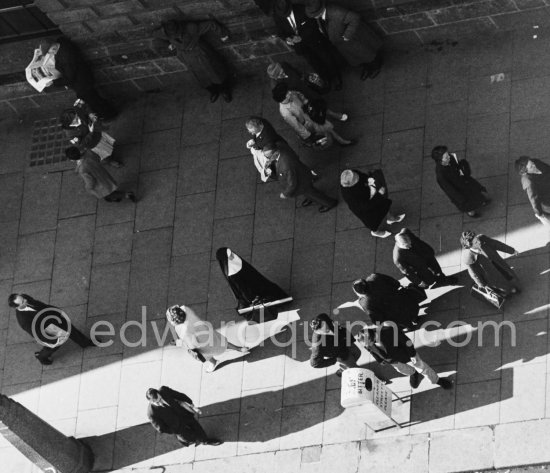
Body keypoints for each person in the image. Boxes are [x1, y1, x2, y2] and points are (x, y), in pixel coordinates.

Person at [25, 38, 117, 119]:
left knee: (93, 100)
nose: (50, 54)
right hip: (83, 77)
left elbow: (69, 78)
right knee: (93, 97)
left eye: (50, 52)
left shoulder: (66, 57)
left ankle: (108, 115)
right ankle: (108, 110)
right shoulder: (62, 43)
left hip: (81, 83)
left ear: (53, 47)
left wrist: (53, 82)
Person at [272, 0, 345, 89]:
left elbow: (313, 25)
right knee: (314, 63)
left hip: (314, 40)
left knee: (326, 58)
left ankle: (336, 77)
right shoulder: (277, 16)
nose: (285, 16)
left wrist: (301, 37)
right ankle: (326, 79)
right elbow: (280, 32)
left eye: (287, 13)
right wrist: (287, 39)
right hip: (301, 47)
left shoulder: (302, 9)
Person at [8, 293, 96, 365]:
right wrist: (52, 340)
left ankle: (85, 343)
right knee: (55, 346)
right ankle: (42, 356)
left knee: (72, 330)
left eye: (23, 298)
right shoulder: (23, 320)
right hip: (48, 329)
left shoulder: (25, 297)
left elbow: (40, 305)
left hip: (54, 318)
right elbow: (37, 333)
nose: (25, 300)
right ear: (17, 307)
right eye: (22, 301)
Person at [305, 0, 383, 80]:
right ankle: (368, 68)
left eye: (314, 15)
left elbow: (355, 17)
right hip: (343, 43)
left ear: (320, 11)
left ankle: (375, 67)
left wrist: (347, 35)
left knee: (367, 54)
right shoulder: (320, 15)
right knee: (357, 57)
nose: (313, 17)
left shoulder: (337, 12)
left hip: (353, 39)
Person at [358, 322, 452, 389]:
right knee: (403, 370)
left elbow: (406, 342)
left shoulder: (389, 331)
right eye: (367, 345)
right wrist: (379, 359)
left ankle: (437, 380)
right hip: (393, 361)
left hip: (406, 355)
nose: (369, 346)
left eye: (370, 343)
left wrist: (413, 355)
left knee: (423, 368)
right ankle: (413, 374)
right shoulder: (366, 343)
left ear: (373, 335)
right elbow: (371, 351)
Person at [157, 19, 232, 103]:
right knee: (200, 76)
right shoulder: (165, 33)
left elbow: (210, 24)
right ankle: (213, 91)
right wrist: (169, 45)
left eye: (177, 33)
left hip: (201, 52)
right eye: (172, 35)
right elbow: (156, 37)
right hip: (188, 57)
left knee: (214, 71)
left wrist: (223, 34)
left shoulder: (190, 28)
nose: (175, 36)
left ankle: (224, 90)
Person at [215, 247, 291, 322]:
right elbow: (242, 288)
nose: (232, 255)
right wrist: (250, 298)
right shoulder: (231, 273)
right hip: (250, 287)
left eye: (231, 253)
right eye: (230, 255)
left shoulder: (233, 260)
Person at [166, 304, 248, 373]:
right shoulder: (185, 309)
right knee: (221, 341)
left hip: (204, 344)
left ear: (174, 321)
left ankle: (213, 363)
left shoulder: (181, 329)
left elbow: (192, 345)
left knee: (207, 355)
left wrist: (179, 343)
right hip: (207, 331)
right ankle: (239, 348)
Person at [263, 141, 337, 212]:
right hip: (301, 173)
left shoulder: (286, 165)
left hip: (301, 182)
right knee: (309, 192)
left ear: (275, 152)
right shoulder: (280, 145)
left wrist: (285, 194)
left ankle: (329, 203)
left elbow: (292, 183)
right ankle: (310, 198)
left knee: (313, 194)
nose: (268, 159)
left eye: (268, 156)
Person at [272, 83, 352, 148]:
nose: (290, 92)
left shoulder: (291, 95)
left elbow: (299, 95)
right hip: (309, 123)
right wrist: (308, 136)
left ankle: (341, 141)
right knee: (327, 129)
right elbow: (296, 126)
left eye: (288, 91)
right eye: (287, 93)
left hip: (311, 114)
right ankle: (341, 141)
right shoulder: (285, 112)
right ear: (283, 98)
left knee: (327, 127)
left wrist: (306, 102)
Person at [146, 386, 222, 446]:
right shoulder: (151, 413)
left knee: (197, 427)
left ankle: (205, 441)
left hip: (184, 415)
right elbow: (161, 428)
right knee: (190, 437)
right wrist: (174, 430)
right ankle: (185, 439)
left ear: (158, 393)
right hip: (177, 427)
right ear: (151, 401)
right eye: (157, 402)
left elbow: (179, 395)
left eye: (160, 399)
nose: (160, 402)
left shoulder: (164, 390)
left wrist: (191, 403)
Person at [340, 169, 405, 238]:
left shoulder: (352, 174)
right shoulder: (349, 196)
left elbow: (362, 175)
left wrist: (370, 179)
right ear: (351, 184)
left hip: (369, 195)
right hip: (364, 209)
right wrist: (379, 195)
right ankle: (376, 232)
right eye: (355, 178)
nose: (358, 176)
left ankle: (390, 218)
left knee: (384, 204)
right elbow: (365, 206)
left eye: (355, 174)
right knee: (372, 221)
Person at [431, 145, 489, 218]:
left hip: (465, 181)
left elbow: (457, 165)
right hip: (459, 190)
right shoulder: (441, 175)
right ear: (440, 160)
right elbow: (449, 190)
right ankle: (472, 213)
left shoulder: (450, 158)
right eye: (446, 157)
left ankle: (481, 201)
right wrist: (460, 199)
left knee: (476, 192)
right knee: (468, 204)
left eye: (447, 154)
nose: (449, 156)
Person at [60, 103, 122, 168]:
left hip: (98, 133)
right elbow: (82, 143)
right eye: (75, 120)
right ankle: (111, 161)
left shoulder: (76, 111)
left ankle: (111, 151)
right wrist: (91, 132)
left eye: (76, 117)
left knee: (108, 145)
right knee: (104, 154)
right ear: (69, 123)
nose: (78, 119)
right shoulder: (70, 135)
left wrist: (90, 114)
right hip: (93, 144)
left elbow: (84, 105)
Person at [65, 147, 136, 202]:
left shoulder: (82, 169)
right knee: (109, 187)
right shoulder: (88, 153)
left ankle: (127, 195)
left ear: (72, 159)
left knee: (107, 194)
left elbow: (90, 181)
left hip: (99, 184)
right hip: (102, 174)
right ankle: (116, 197)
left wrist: (88, 188)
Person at [460, 230, 520, 296]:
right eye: (476, 243)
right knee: (500, 283)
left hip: (497, 263)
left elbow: (497, 244)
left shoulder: (482, 238)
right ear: (469, 246)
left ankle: (511, 283)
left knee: (506, 274)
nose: (479, 242)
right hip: (490, 273)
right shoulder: (468, 258)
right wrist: (482, 285)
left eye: (477, 239)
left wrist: (512, 250)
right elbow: (474, 274)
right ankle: (509, 291)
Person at [393, 228, 457, 288]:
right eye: (407, 246)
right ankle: (438, 281)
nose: (410, 245)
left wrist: (429, 251)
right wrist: (419, 282)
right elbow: (407, 272)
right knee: (430, 280)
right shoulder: (398, 258)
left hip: (426, 255)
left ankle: (442, 279)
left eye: (409, 242)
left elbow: (418, 241)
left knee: (437, 269)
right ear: (399, 244)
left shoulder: (406, 231)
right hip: (420, 267)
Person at [351, 274, 422, 329]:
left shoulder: (365, 303)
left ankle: (411, 325)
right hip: (409, 303)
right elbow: (396, 283)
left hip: (400, 319)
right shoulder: (375, 277)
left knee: (400, 320)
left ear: (360, 293)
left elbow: (377, 320)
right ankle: (415, 318)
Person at [245, 116, 285, 182]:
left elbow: (267, 159)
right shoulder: (261, 123)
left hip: (271, 156)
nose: (251, 133)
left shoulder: (267, 139)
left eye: (253, 131)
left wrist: (266, 171)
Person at [514, 156, 550, 226]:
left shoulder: (535, 162)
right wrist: (539, 214)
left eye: (532, 163)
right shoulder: (528, 182)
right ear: (525, 172)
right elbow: (534, 199)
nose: (534, 166)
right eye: (531, 167)